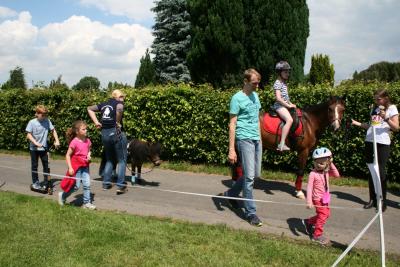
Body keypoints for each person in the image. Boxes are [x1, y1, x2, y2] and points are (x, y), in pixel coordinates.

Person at [221, 68, 263, 227]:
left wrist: (260, 140)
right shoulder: (236, 98)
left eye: (258, 83)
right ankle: (251, 212)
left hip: (256, 140)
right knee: (250, 177)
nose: (257, 86)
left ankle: (230, 194)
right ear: (245, 82)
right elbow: (232, 124)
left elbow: (258, 119)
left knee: (254, 174)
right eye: (254, 83)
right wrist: (231, 149)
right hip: (243, 139)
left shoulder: (256, 96)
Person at [351, 89, 399, 211]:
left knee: (381, 171)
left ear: (386, 98)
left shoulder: (392, 108)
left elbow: (396, 128)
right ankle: (372, 199)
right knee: (371, 169)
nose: (377, 101)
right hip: (370, 141)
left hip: (382, 143)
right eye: (375, 99)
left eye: (379, 99)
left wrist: (386, 118)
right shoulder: (375, 109)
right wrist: (357, 123)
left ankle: (383, 201)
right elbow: (371, 126)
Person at [87, 89, 128, 194]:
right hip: (116, 133)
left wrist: (96, 122)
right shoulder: (119, 103)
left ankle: (106, 183)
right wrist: (118, 122)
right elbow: (119, 109)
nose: (123, 98)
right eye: (122, 96)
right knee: (122, 161)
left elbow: (89, 109)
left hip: (104, 133)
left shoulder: (104, 104)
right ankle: (121, 186)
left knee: (110, 160)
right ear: (116, 97)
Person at [302, 147, 340, 245]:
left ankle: (308, 222)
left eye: (322, 163)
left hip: (325, 198)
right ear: (314, 162)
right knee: (323, 215)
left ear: (327, 162)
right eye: (317, 162)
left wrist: (331, 164)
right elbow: (309, 188)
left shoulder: (326, 172)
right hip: (317, 199)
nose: (319, 165)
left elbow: (337, 175)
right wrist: (309, 201)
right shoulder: (312, 174)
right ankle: (317, 235)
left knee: (326, 215)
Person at [58, 120, 96, 210]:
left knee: (87, 184)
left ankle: (87, 203)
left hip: (85, 166)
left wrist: (89, 155)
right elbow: (68, 155)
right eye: (83, 129)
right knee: (76, 186)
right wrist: (70, 168)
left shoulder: (88, 141)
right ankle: (62, 196)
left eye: (86, 129)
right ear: (77, 132)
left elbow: (89, 150)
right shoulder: (74, 142)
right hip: (76, 167)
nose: (86, 130)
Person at [26, 105, 60, 190]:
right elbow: (28, 135)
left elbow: (53, 130)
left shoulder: (47, 121)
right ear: (37, 114)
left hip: (44, 148)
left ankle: (46, 183)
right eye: (42, 114)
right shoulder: (32, 122)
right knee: (34, 166)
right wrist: (35, 142)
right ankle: (35, 183)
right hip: (34, 149)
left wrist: (57, 140)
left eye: (45, 114)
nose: (44, 116)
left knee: (46, 166)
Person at [272, 61, 296, 151]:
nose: (288, 74)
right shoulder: (278, 83)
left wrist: (291, 104)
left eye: (288, 72)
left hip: (285, 105)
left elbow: (286, 97)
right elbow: (278, 98)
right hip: (279, 106)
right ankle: (281, 144)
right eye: (285, 72)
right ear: (279, 72)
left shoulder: (284, 83)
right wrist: (288, 106)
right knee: (289, 120)